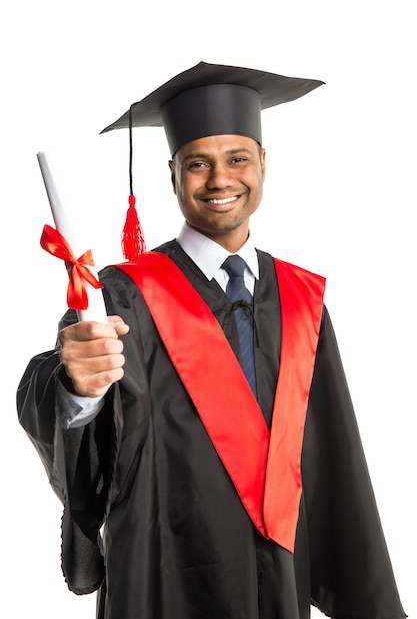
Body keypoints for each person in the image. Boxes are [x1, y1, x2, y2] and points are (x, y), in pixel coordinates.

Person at [17, 61, 406, 619]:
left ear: (264, 166)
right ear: (172, 173)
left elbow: (331, 457)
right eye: (198, 163)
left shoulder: (302, 299)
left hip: (277, 577)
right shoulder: (124, 297)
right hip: (163, 576)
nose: (220, 180)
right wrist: (78, 388)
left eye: (237, 159)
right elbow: (84, 429)